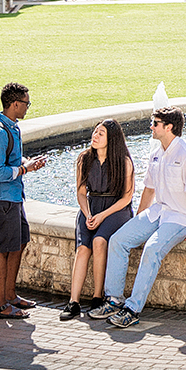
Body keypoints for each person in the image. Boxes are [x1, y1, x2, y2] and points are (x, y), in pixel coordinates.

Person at [87, 107, 186, 328]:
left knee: (152, 248)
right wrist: (137, 219)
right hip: (157, 212)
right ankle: (113, 300)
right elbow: (149, 191)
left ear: (168, 127)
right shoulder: (156, 153)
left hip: (180, 219)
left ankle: (132, 309)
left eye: (155, 123)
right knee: (118, 239)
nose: (151, 126)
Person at [0, 83, 49, 319]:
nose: (28, 107)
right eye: (27, 103)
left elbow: (10, 160)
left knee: (19, 243)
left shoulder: (12, 129)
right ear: (15, 104)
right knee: (1, 250)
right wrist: (24, 169)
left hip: (13, 198)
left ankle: (10, 296)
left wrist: (27, 162)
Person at [61, 119, 135, 321]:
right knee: (83, 247)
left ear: (111, 139)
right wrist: (87, 214)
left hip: (116, 210)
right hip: (90, 208)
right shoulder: (83, 159)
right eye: (95, 132)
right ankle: (73, 302)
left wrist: (102, 215)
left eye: (100, 133)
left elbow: (127, 197)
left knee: (99, 241)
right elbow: (81, 192)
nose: (95, 136)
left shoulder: (124, 162)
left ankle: (97, 298)